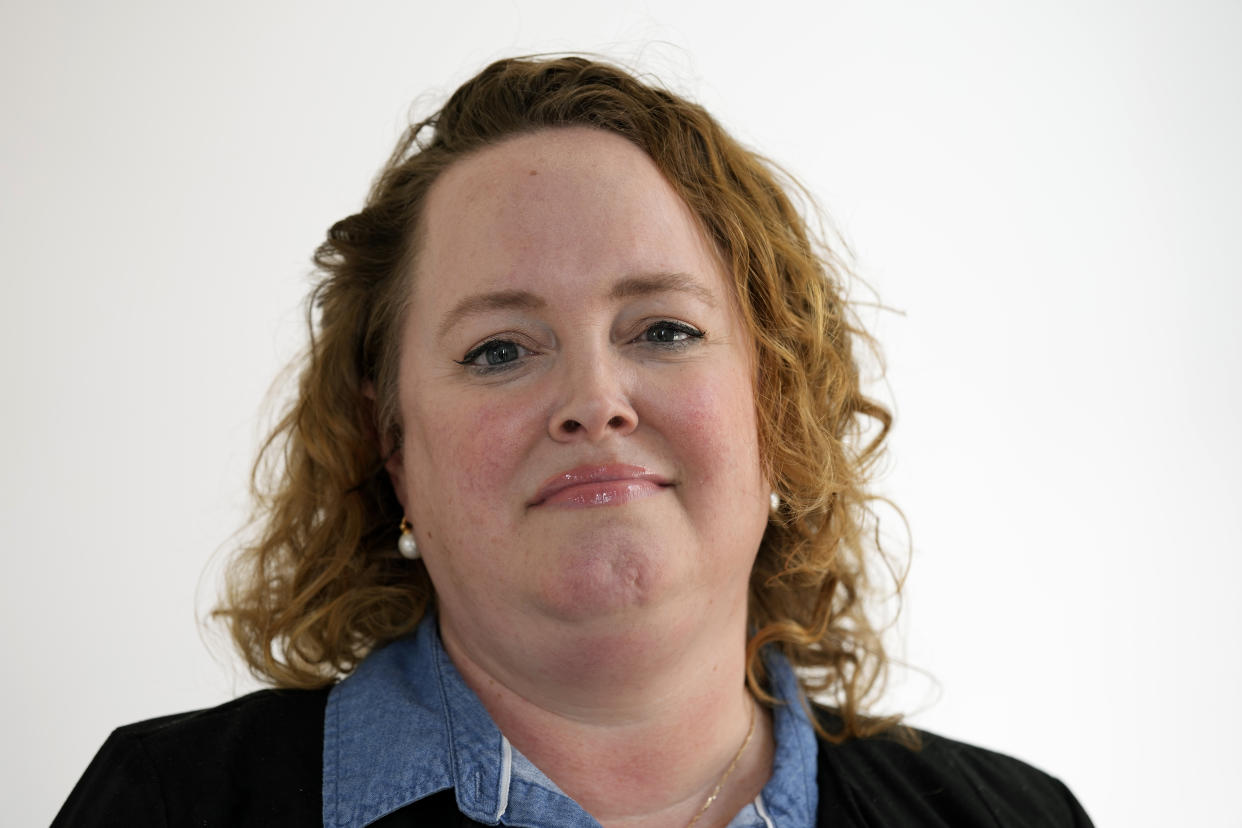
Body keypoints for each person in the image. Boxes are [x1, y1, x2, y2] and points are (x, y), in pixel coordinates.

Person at [55, 56, 1092, 827]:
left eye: (665, 331)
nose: (594, 399)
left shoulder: (1014, 819)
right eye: (501, 349)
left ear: (778, 404)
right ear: (389, 438)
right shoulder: (165, 805)